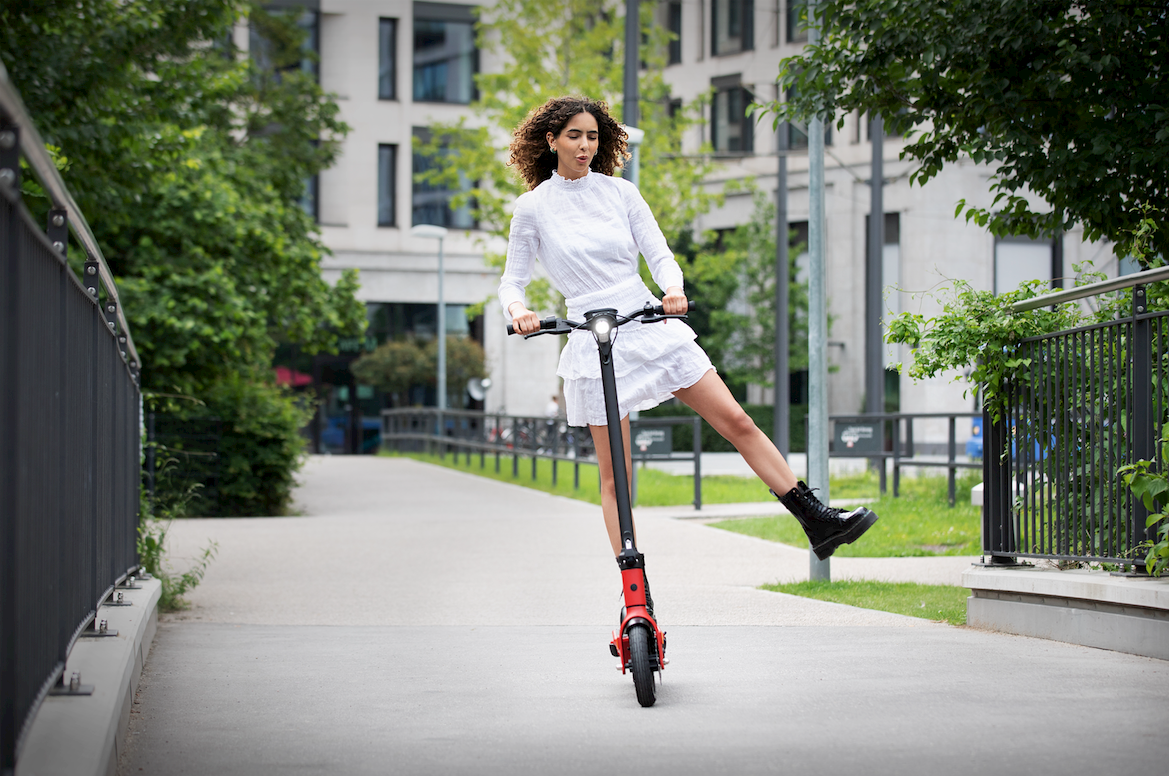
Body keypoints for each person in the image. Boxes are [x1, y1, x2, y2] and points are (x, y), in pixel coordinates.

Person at [499, 96, 877, 613]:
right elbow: (512, 282)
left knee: (738, 419)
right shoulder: (533, 208)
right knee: (618, 477)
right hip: (592, 336)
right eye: (574, 136)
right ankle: (636, 592)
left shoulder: (621, 193)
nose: (585, 146)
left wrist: (671, 290)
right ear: (550, 140)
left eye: (592, 136)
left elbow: (659, 255)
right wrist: (521, 311)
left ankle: (818, 520)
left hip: (646, 320)